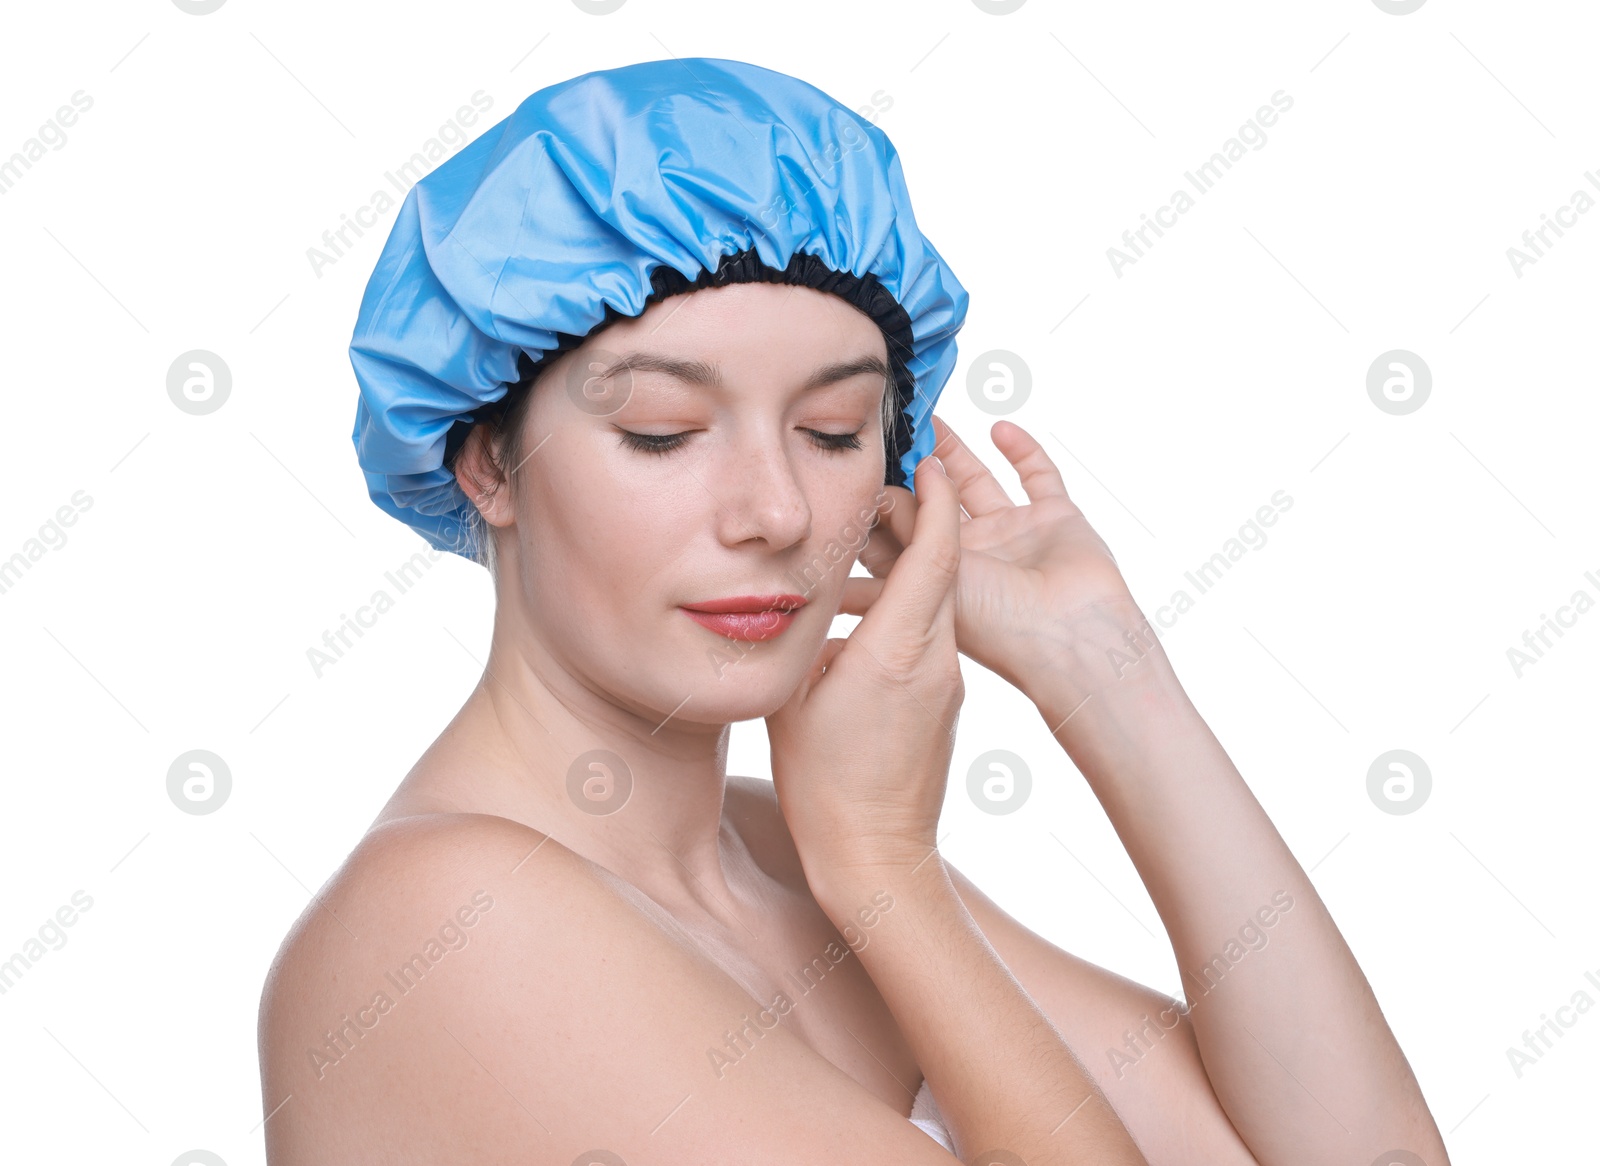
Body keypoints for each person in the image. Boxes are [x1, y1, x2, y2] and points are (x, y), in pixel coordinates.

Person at [257, 58, 1451, 1165]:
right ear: (489, 466)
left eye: (832, 432)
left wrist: (1102, 670)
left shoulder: (775, 847)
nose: (776, 508)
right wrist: (888, 874)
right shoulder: (456, 927)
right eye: (663, 433)